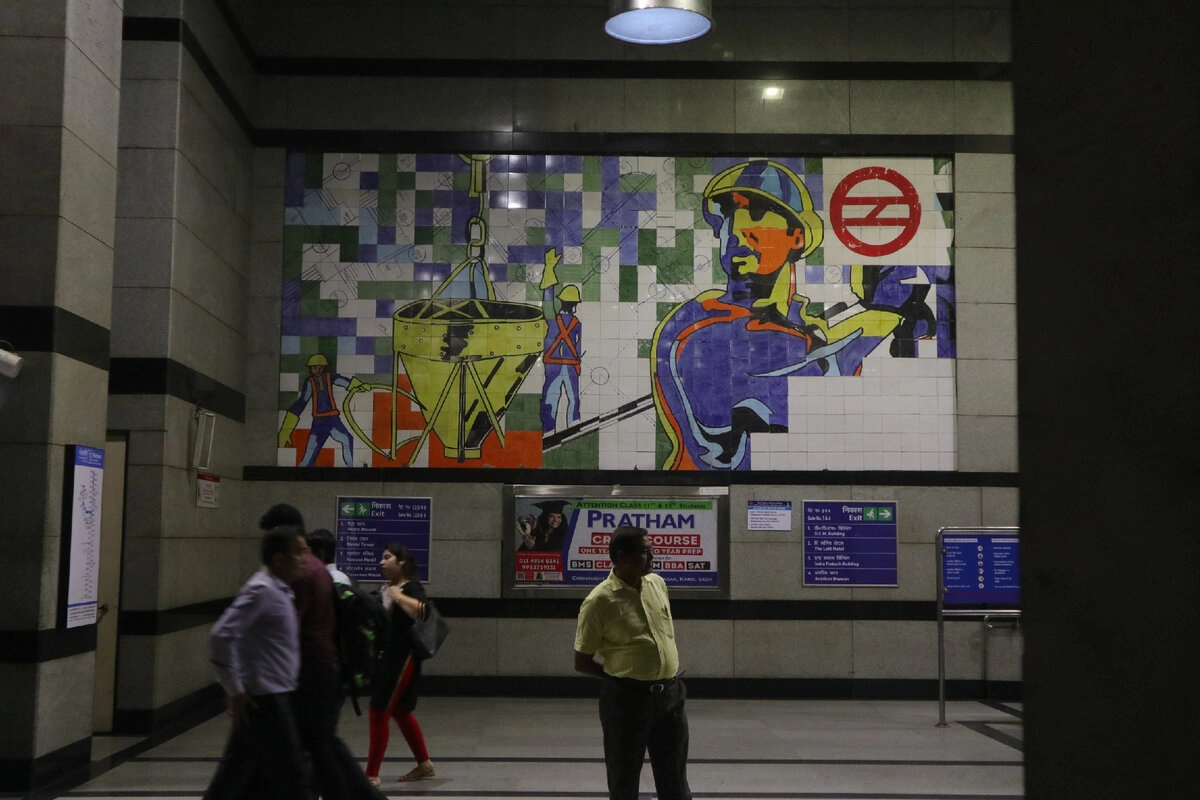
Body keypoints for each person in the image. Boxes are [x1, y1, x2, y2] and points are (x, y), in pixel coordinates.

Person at [651, 159, 947, 470]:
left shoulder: (802, 327)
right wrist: (885, 314)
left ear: (797, 236)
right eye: (727, 215)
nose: (736, 229)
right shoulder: (700, 328)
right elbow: (813, 382)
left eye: (756, 213)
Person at [259, 505, 384, 800]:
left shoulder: (302, 571)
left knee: (319, 749)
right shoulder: (315, 567)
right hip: (322, 669)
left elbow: (290, 626)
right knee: (321, 747)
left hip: (311, 671)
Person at [574, 526, 691, 800]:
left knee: (675, 779)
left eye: (651, 550)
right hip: (626, 701)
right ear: (619, 556)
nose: (652, 556)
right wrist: (619, 679)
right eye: (644, 551)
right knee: (624, 779)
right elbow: (582, 661)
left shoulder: (657, 584)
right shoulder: (599, 601)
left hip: (670, 696)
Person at [203, 525, 311, 800]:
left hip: (271, 695)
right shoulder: (262, 590)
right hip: (266, 699)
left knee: (234, 776)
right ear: (279, 558)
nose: (305, 559)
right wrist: (234, 689)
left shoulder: (280, 590)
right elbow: (221, 635)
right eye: (299, 553)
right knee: (294, 777)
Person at [365, 543, 436, 786]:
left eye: (387, 557)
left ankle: (371, 775)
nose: (382, 562)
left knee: (378, 710)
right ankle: (424, 764)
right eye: (381, 558)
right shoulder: (387, 588)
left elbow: (424, 612)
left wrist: (398, 596)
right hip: (389, 658)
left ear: (401, 561)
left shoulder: (410, 587)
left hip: (401, 659)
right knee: (400, 711)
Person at [278, 353, 364, 466]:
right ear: (311, 368)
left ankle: (351, 468)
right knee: (308, 457)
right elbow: (301, 403)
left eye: (320, 367)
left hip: (333, 420)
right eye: (315, 367)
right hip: (318, 423)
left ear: (323, 367)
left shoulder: (329, 376)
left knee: (347, 439)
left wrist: (359, 386)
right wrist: (285, 430)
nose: (318, 370)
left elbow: (344, 382)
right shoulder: (310, 382)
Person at [539, 247, 584, 432]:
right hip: (571, 365)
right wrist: (577, 360)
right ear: (574, 305)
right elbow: (578, 345)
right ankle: (573, 423)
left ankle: (549, 429)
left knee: (550, 396)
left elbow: (547, 299)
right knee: (573, 396)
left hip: (553, 364)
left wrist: (549, 269)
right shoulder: (577, 323)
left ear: (562, 301)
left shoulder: (551, 318)